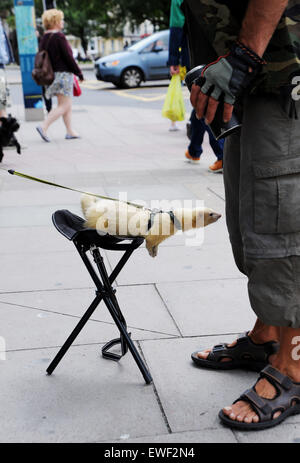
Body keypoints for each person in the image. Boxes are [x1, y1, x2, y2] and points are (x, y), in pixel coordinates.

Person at [185, 0, 300, 430]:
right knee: (250, 219)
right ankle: (268, 335)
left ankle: (293, 368)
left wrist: (245, 55)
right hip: (247, 78)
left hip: (281, 73)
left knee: (284, 220)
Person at [169, 0, 224, 172]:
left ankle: (222, 155)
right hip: (221, 54)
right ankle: (194, 150)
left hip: (195, 58)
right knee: (200, 102)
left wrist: (173, 60)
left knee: (204, 101)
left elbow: (177, 28)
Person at [36, 9, 84, 143]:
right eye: (61, 20)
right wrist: (79, 72)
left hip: (51, 75)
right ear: (55, 21)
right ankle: (43, 126)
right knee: (64, 105)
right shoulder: (59, 37)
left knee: (65, 104)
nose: (62, 22)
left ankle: (70, 131)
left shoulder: (44, 37)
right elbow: (68, 57)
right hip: (63, 74)